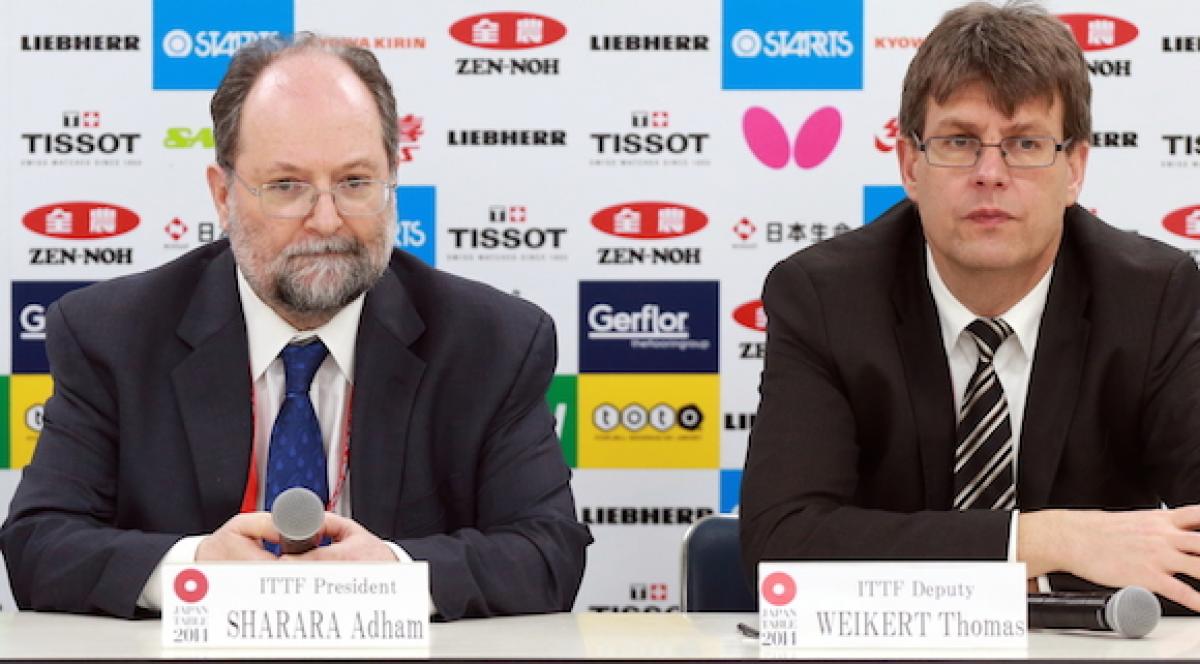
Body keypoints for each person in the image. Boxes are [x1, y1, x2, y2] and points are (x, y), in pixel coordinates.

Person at [0, 33, 590, 620]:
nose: (327, 219)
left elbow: (547, 555)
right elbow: (39, 546)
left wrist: (394, 575)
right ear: (222, 195)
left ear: (393, 181)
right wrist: (195, 569)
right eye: (287, 186)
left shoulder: (494, 343)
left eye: (356, 182)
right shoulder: (110, 335)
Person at [741, 1, 1200, 613]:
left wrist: (1021, 584)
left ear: (1075, 169)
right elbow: (782, 545)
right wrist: (1045, 540)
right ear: (910, 164)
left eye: (1025, 143)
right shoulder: (824, 297)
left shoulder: (1153, 297)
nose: (991, 173)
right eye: (960, 141)